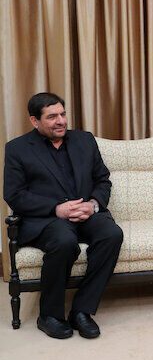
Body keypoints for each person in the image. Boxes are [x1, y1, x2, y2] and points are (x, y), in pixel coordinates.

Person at [3, 92, 123, 339]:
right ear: (35, 121)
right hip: (47, 219)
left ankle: (81, 310)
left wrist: (93, 204)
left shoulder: (84, 140)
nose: (61, 121)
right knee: (64, 240)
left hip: (85, 213)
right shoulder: (17, 148)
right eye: (52, 117)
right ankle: (49, 315)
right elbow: (14, 195)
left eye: (63, 114)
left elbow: (102, 180)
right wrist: (56, 209)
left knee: (112, 234)